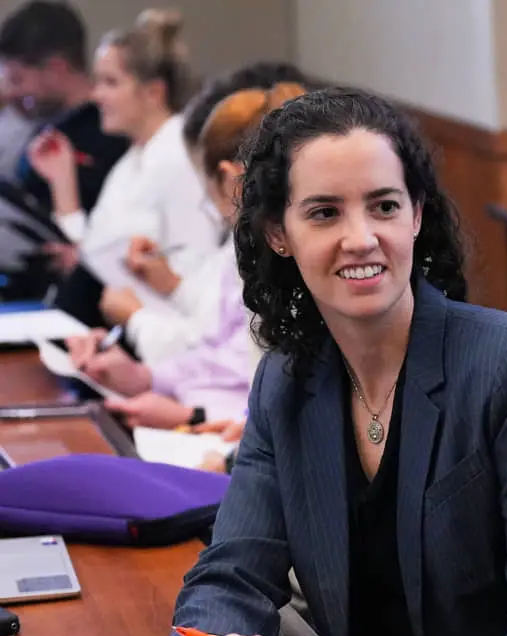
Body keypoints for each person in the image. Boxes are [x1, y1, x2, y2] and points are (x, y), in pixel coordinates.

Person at [163, 87, 507, 636]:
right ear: (278, 233)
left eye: (384, 206)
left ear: (417, 214)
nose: (361, 237)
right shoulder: (286, 380)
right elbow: (232, 572)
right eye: (325, 212)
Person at [66, 83, 311, 431]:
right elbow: (219, 350)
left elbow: (270, 406)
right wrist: (144, 377)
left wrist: (191, 415)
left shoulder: (283, 270)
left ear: (231, 183)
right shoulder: (246, 254)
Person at [103, 62, 315, 364]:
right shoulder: (247, 250)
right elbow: (217, 321)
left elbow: (221, 360)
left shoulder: (266, 261)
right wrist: (172, 285)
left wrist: (137, 321)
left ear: (232, 181)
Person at [27, 8, 217, 324]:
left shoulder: (178, 158)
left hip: (167, 340)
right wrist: (62, 180)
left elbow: (196, 271)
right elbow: (95, 253)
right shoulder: (131, 161)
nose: (96, 95)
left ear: (153, 92)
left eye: (110, 82)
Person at [0, 0, 129, 212]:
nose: (9, 92)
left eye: (17, 80)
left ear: (56, 70)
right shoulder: (36, 128)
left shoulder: (112, 134)